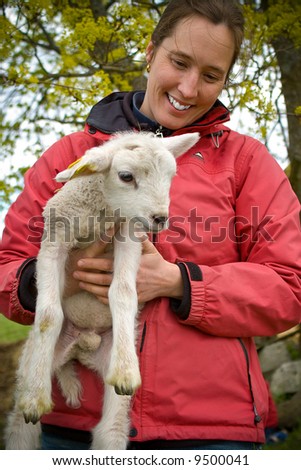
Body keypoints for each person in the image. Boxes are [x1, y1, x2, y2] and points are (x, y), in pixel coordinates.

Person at [0, 0, 300, 451]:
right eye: (178, 62)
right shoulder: (74, 158)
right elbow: (8, 266)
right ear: (151, 50)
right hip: (75, 429)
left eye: (211, 75)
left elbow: (291, 286)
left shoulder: (246, 162)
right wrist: (54, 277)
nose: (188, 87)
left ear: (224, 80)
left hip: (210, 434)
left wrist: (182, 283)